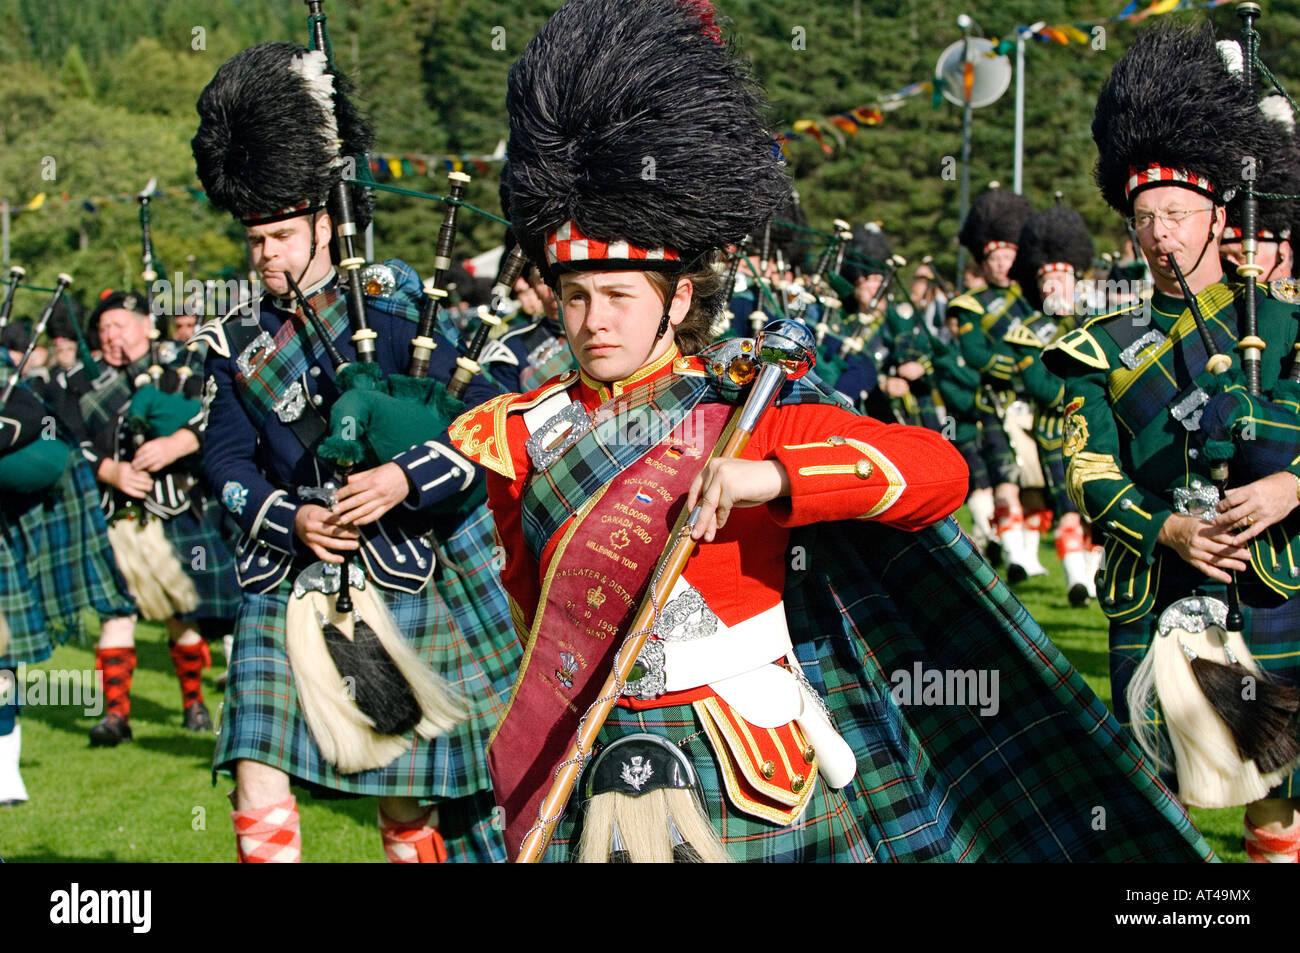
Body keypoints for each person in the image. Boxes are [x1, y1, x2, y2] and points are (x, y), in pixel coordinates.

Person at [447, 0, 1212, 863]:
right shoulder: (520, 435)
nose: (594, 320)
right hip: (587, 753)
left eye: (621, 296)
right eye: (578, 296)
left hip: (746, 757)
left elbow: (940, 473)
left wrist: (768, 479)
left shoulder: (742, 417)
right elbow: (526, 605)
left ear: (680, 298)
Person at [192, 39, 520, 862]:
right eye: (255, 239)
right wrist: (293, 516)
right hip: (286, 575)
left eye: (281, 236)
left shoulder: (400, 312)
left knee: (403, 791)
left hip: (395, 564)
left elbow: (479, 420)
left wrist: (400, 475)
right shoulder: (232, 343)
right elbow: (224, 463)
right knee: (256, 774)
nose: (266, 255)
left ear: (324, 224)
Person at [1044, 21, 1300, 861]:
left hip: (1271, 577)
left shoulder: (1285, 322)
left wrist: (1290, 486)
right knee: (1155, 786)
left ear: (1219, 215)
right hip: (1154, 581)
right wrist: (1167, 527)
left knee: (1277, 793)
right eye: (1145, 218)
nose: (1161, 234)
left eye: (1178, 215)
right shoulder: (1098, 345)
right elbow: (1082, 468)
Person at [1005, 205, 1105, 606]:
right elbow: (1039, 385)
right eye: (1046, 281)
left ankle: (1095, 577)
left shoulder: (1098, 318)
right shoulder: (1027, 332)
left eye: (1060, 279)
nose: (1053, 288)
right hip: (1056, 431)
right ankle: (1076, 582)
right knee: (1068, 508)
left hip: (1102, 426)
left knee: (1099, 511)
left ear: (1075, 278)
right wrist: (1086, 394)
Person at [950, 187, 1039, 579]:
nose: (1003, 263)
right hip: (996, 405)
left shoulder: (1033, 300)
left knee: (1035, 485)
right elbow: (975, 354)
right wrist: (1019, 368)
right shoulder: (971, 303)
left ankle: (1028, 555)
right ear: (983, 262)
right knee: (1006, 480)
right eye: (995, 257)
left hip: (1037, 402)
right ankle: (1013, 554)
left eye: (1009, 255)